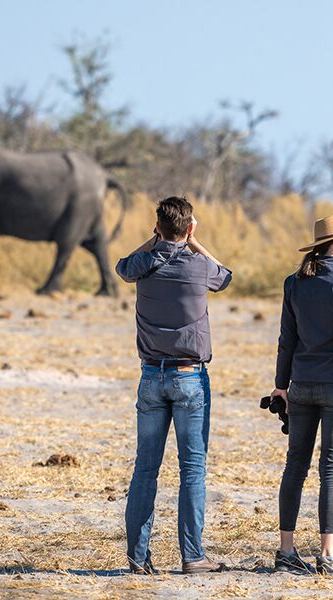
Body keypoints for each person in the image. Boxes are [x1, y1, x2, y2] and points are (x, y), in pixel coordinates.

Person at [115, 196, 233, 575]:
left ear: (157, 227)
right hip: (189, 377)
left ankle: (138, 557)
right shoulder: (199, 266)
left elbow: (121, 268)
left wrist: (155, 243)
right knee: (192, 469)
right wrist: (193, 242)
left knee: (145, 469)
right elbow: (225, 276)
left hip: (151, 376)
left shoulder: (144, 265)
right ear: (190, 227)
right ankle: (192, 556)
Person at [269, 214, 333, 576]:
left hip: (300, 385)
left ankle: (286, 551)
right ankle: (328, 556)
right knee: (331, 470)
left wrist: (281, 385)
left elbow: (287, 339)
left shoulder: (294, 283)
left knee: (294, 466)